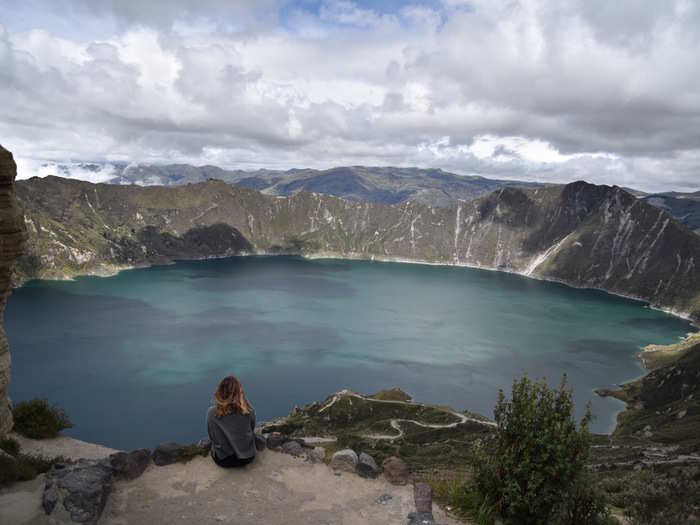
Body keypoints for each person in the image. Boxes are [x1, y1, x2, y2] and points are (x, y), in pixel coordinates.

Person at [206, 375, 257, 468]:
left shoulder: (212, 413)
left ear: (220, 391)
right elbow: (251, 429)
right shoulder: (248, 410)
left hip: (224, 460)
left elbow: (211, 435)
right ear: (239, 392)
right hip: (248, 457)